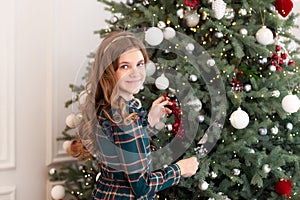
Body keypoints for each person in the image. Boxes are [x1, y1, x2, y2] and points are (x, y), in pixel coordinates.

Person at [70, 31, 199, 200]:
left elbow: (123, 152)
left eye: (139, 64)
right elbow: (142, 186)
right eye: (125, 66)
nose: (136, 73)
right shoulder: (123, 118)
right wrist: (180, 169)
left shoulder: (108, 106)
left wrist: (149, 121)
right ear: (109, 72)